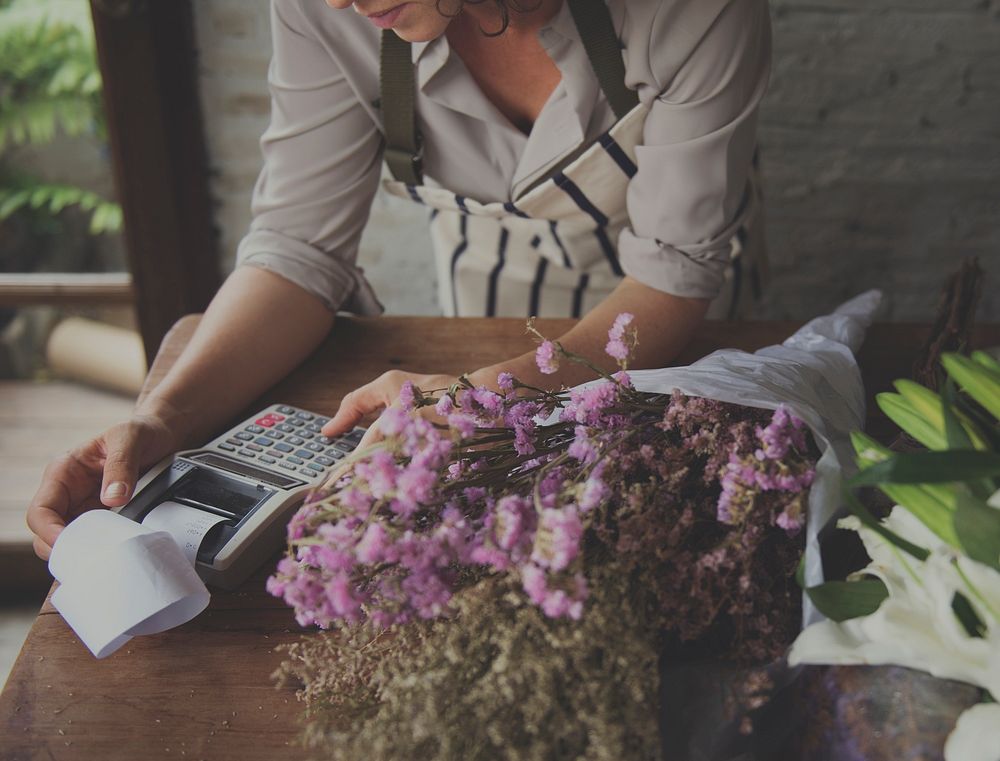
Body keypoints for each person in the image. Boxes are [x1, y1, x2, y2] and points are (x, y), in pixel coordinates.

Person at [26, 0, 771, 560]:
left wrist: (484, 395)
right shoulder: (328, 9)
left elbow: (671, 279)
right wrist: (164, 418)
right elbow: (297, 249)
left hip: (662, 320)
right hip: (486, 291)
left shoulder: (694, 10)